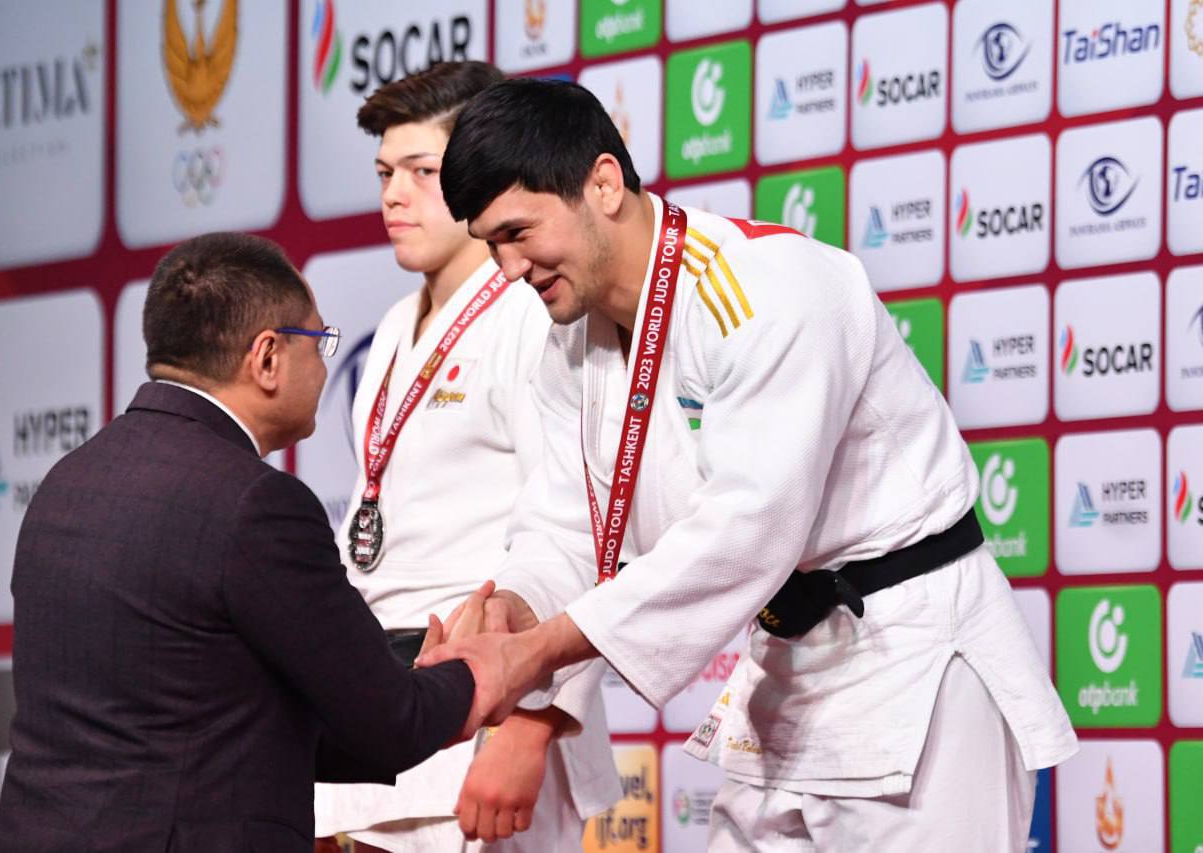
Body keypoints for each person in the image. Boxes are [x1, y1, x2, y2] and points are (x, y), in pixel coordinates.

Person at [420, 79, 1080, 850]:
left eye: (518, 232)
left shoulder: (766, 287)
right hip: (785, 668)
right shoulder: (572, 344)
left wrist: (534, 655)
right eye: (490, 244)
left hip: (912, 660)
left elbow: (746, 529)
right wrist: (515, 610)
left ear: (602, 183)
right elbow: (566, 522)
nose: (507, 269)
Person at [0, 232, 484, 853]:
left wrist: (395, 678)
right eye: (319, 343)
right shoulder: (256, 504)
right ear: (267, 357)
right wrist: (473, 670)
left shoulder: (65, 483)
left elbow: (208, 715)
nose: (324, 367)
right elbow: (389, 722)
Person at [312, 63, 619, 852]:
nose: (393, 196)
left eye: (420, 172)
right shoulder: (389, 329)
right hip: (385, 703)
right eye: (384, 174)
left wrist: (529, 723)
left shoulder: (533, 313)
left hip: (490, 707)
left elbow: (584, 528)